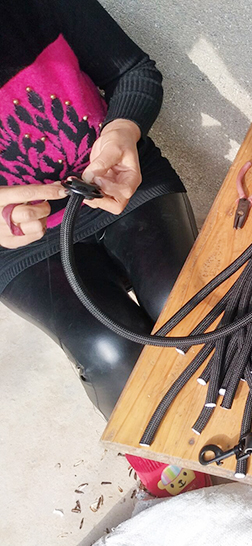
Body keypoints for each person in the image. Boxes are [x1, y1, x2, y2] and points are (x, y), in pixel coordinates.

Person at [0, 0, 198, 418]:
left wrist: (122, 130)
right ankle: (155, 453)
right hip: (20, 245)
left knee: (189, 307)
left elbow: (132, 71)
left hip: (125, 184)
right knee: (110, 354)